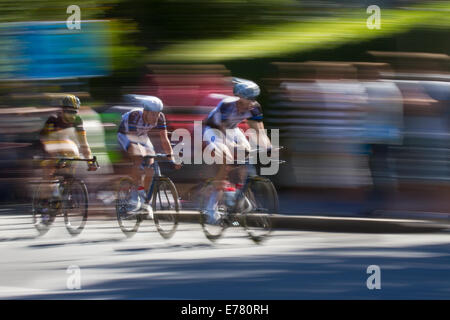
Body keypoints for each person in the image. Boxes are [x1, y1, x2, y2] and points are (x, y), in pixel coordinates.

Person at [203, 78, 272, 224]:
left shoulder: (254, 107)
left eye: (254, 98)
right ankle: (211, 208)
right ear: (240, 98)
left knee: (247, 152)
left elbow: (260, 130)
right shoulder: (227, 105)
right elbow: (221, 130)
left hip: (232, 129)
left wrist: (268, 147)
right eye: (249, 99)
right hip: (213, 130)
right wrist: (230, 146)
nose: (252, 102)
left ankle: (237, 193)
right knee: (226, 158)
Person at [117, 95, 179, 218]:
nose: (155, 117)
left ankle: (144, 198)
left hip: (142, 136)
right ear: (145, 111)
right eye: (152, 114)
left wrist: (172, 158)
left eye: (157, 114)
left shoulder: (160, 118)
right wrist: (145, 152)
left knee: (150, 167)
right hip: (126, 135)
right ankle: (134, 197)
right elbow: (134, 143)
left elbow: (164, 139)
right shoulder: (135, 116)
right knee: (138, 156)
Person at [38, 94, 96, 211]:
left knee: (74, 154)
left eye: (75, 112)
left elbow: (84, 144)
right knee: (49, 170)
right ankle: (48, 197)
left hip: (64, 144)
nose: (72, 115)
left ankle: (66, 190)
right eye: (69, 111)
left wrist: (90, 161)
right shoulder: (53, 119)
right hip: (47, 143)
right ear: (62, 110)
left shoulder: (78, 120)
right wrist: (55, 158)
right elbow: (46, 141)